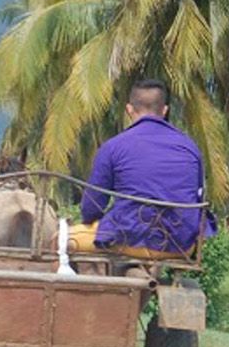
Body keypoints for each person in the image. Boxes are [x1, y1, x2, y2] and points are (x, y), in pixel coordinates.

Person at [70, 79, 215, 259]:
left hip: (126, 240)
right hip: (180, 245)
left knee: (61, 239)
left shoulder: (113, 147)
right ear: (164, 110)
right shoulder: (189, 147)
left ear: (129, 110)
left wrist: (93, 222)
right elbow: (197, 197)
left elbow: (92, 206)